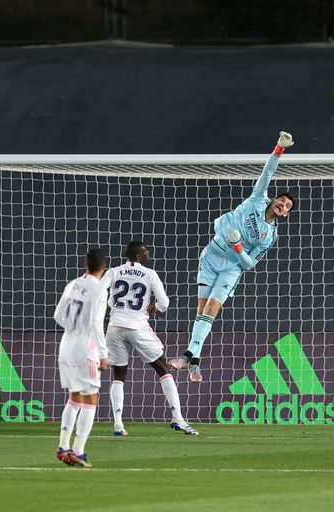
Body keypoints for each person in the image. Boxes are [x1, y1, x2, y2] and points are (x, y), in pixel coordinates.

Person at [170, 131, 296, 382]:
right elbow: (267, 173)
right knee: (200, 311)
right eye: (281, 200)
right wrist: (279, 149)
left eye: (287, 207)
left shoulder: (269, 237)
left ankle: (186, 356)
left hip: (231, 268)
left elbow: (249, 264)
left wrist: (238, 246)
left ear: (285, 215)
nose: (282, 204)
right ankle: (194, 360)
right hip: (211, 256)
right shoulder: (258, 199)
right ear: (274, 200)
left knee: (211, 310)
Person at [102, 241, 198, 436]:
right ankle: (177, 418)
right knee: (163, 368)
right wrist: (158, 308)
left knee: (118, 375)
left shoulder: (113, 271)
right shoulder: (149, 274)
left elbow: (97, 293)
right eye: (144, 251)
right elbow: (164, 302)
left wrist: (107, 314)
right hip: (137, 326)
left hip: (114, 327)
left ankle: (118, 425)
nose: (148, 253)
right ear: (137, 256)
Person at [54, 247, 109, 468]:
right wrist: (103, 354)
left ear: (86, 265)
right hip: (86, 349)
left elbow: (58, 315)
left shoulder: (72, 285)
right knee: (91, 399)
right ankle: (78, 450)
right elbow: (96, 324)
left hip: (66, 346)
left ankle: (63, 446)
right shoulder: (99, 290)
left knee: (74, 397)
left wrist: (74, 329)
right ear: (103, 268)